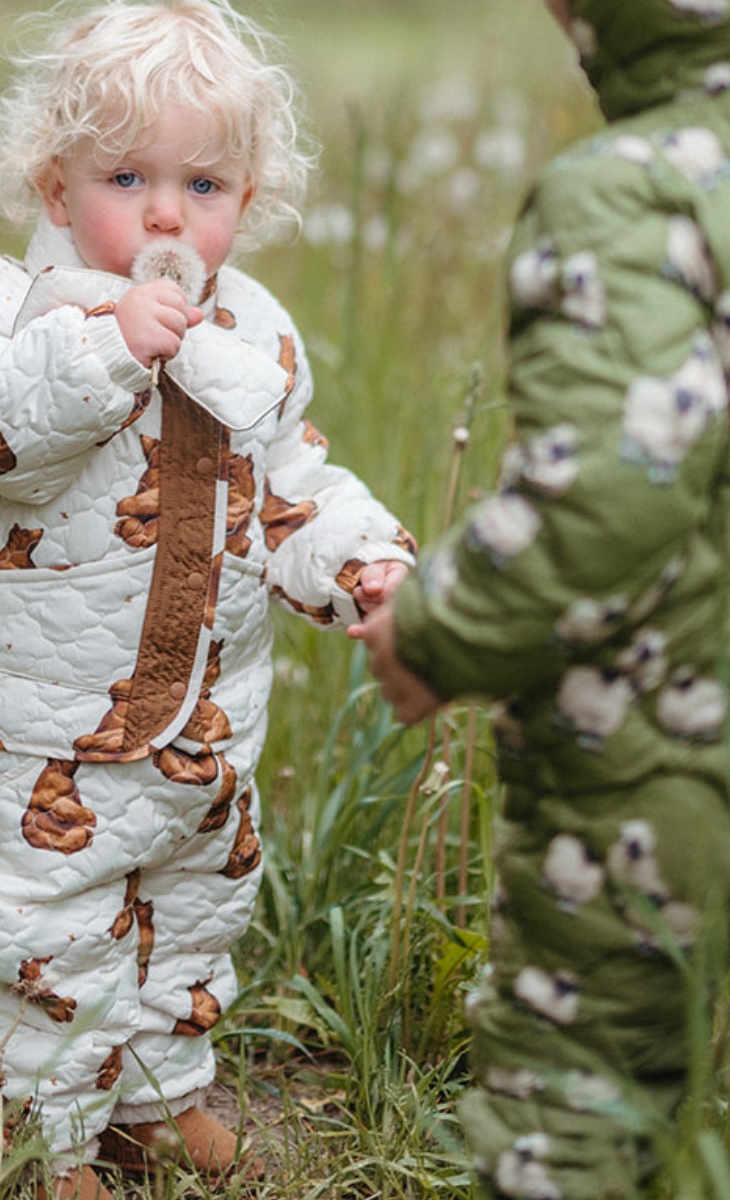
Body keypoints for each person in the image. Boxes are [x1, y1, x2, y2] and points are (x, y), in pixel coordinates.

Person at [0, 2, 415, 1196]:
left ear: (251, 197)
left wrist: (368, 567)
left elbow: (288, 480)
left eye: (206, 182)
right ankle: (36, 1141)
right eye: (127, 176)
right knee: (46, 929)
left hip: (204, 727)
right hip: (42, 731)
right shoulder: (13, 307)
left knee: (193, 906)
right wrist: (107, 347)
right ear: (52, 184)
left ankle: (152, 1096)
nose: (168, 214)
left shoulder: (253, 332)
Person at [354, 2, 730, 1196]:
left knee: (582, 1089)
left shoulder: (628, 190)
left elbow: (614, 489)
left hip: (660, 762)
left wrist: (434, 628)